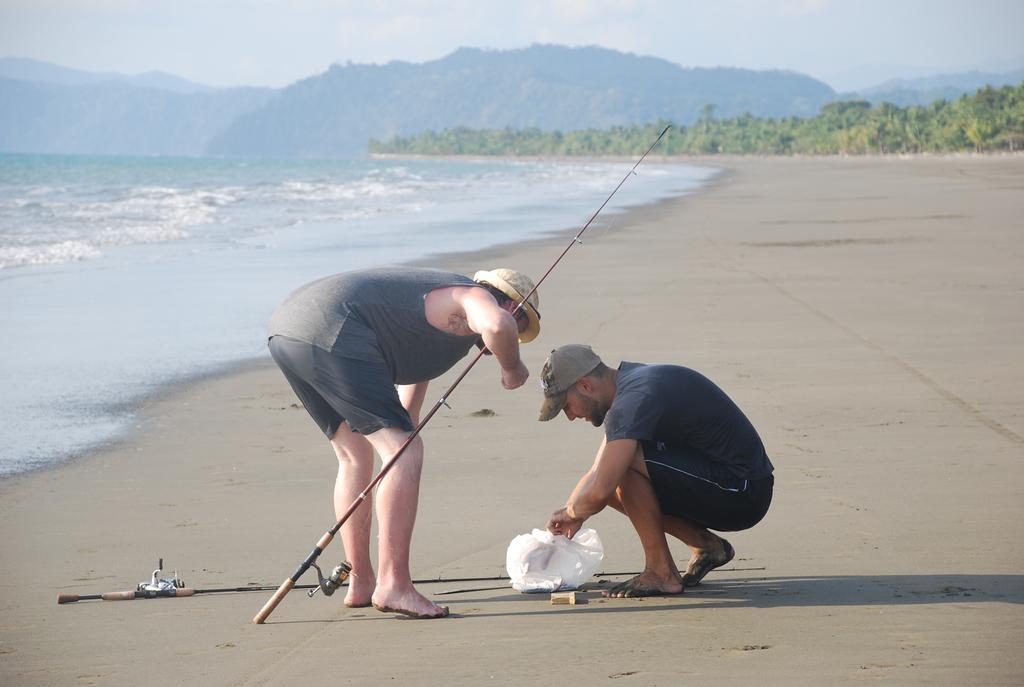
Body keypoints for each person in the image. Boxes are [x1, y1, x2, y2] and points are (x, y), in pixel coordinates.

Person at [267, 267, 541, 618]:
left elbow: (404, 418)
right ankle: (394, 584)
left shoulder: (441, 333)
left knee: (357, 454)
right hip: (333, 326)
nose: (515, 338)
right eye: (522, 327)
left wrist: (399, 454)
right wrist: (512, 367)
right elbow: (498, 327)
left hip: (288, 330)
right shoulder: (472, 296)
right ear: (510, 306)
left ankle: (362, 580)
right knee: (404, 450)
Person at [538, 344, 773, 597]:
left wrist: (575, 512)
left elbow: (600, 489)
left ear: (585, 385)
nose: (570, 416)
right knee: (616, 473)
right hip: (732, 482)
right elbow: (597, 469)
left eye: (566, 406)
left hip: (742, 490)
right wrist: (571, 511)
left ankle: (661, 573)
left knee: (621, 472)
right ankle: (707, 547)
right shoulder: (631, 384)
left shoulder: (632, 400)